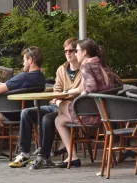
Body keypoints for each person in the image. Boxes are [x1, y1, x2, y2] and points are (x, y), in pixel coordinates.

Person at [31, 39, 122, 169]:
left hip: (90, 115)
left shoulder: (86, 66)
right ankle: (72, 156)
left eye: (77, 51)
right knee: (58, 120)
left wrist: (80, 97)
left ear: (84, 52)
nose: (75, 54)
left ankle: (63, 152)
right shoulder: (102, 65)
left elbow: (91, 88)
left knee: (62, 105)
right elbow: (119, 83)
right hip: (105, 113)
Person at [10, 38, 81, 168]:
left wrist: (63, 96)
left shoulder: (84, 70)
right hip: (58, 104)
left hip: (73, 107)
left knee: (47, 118)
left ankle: (44, 156)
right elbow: (57, 89)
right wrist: (60, 97)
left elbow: (81, 91)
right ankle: (24, 153)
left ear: (78, 51)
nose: (68, 53)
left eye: (71, 50)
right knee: (26, 113)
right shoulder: (62, 69)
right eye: (65, 51)